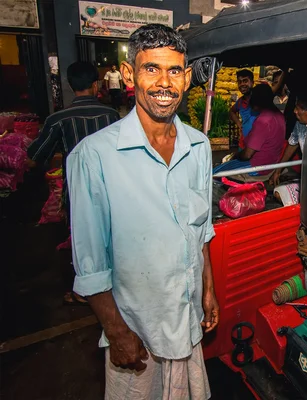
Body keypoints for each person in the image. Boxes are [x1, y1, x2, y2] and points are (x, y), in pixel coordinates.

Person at [67, 24, 217, 399]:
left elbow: (200, 230)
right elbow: (90, 264)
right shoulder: (95, 155)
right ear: (130, 73)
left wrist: (208, 291)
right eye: (152, 69)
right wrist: (117, 333)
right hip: (138, 329)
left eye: (175, 71)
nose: (165, 83)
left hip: (186, 318)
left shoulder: (198, 146)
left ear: (186, 77)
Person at [27, 61, 120, 306]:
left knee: (81, 239)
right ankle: (114, 285)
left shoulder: (57, 119)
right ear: (95, 84)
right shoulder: (111, 116)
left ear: (70, 85)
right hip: (113, 188)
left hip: (77, 192)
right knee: (111, 236)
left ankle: (83, 291)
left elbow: (35, 158)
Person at [215, 84, 285, 177]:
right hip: (271, 164)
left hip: (257, 166)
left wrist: (235, 156)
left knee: (215, 173)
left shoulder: (263, 121)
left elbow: (247, 155)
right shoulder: (279, 116)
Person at [230, 68, 287, 148]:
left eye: (245, 81)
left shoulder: (261, 96)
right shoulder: (239, 102)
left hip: (261, 145)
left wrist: (285, 69)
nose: (242, 84)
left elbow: (277, 86)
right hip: (244, 143)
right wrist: (239, 125)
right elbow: (232, 112)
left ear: (252, 82)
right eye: (239, 82)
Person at [270, 95, 307, 185]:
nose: (294, 111)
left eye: (297, 108)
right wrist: (278, 170)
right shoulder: (300, 125)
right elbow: (292, 145)